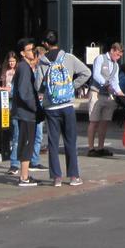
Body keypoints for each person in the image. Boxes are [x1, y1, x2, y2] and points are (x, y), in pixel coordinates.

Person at [35, 31, 90, 187]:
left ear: (45, 44)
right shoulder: (69, 58)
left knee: (53, 141)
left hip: (51, 107)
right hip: (67, 105)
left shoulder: (42, 62)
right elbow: (87, 72)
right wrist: (71, 87)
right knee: (70, 141)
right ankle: (73, 176)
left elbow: (38, 86)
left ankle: (56, 177)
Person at [11, 38, 43, 187]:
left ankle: (25, 175)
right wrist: (35, 108)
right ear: (23, 53)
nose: (33, 52)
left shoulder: (25, 66)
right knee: (27, 143)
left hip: (26, 112)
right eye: (30, 50)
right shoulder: (24, 67)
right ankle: (24, 177)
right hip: (26, 113)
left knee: (27, 143)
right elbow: (24, 92)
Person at [87, 43, 125, 157]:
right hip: (96, 93)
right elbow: (96, 75)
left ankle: (100, 147)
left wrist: (120, 93)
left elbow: (115, 82)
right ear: (112, 50)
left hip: (108, 96)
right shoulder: (100, 58)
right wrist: (105, 83)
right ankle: (91, 148)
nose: (118, 57)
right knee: (94, 121)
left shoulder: (116, 65)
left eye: (120, 56)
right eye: (117, 54)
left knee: (105, 122)